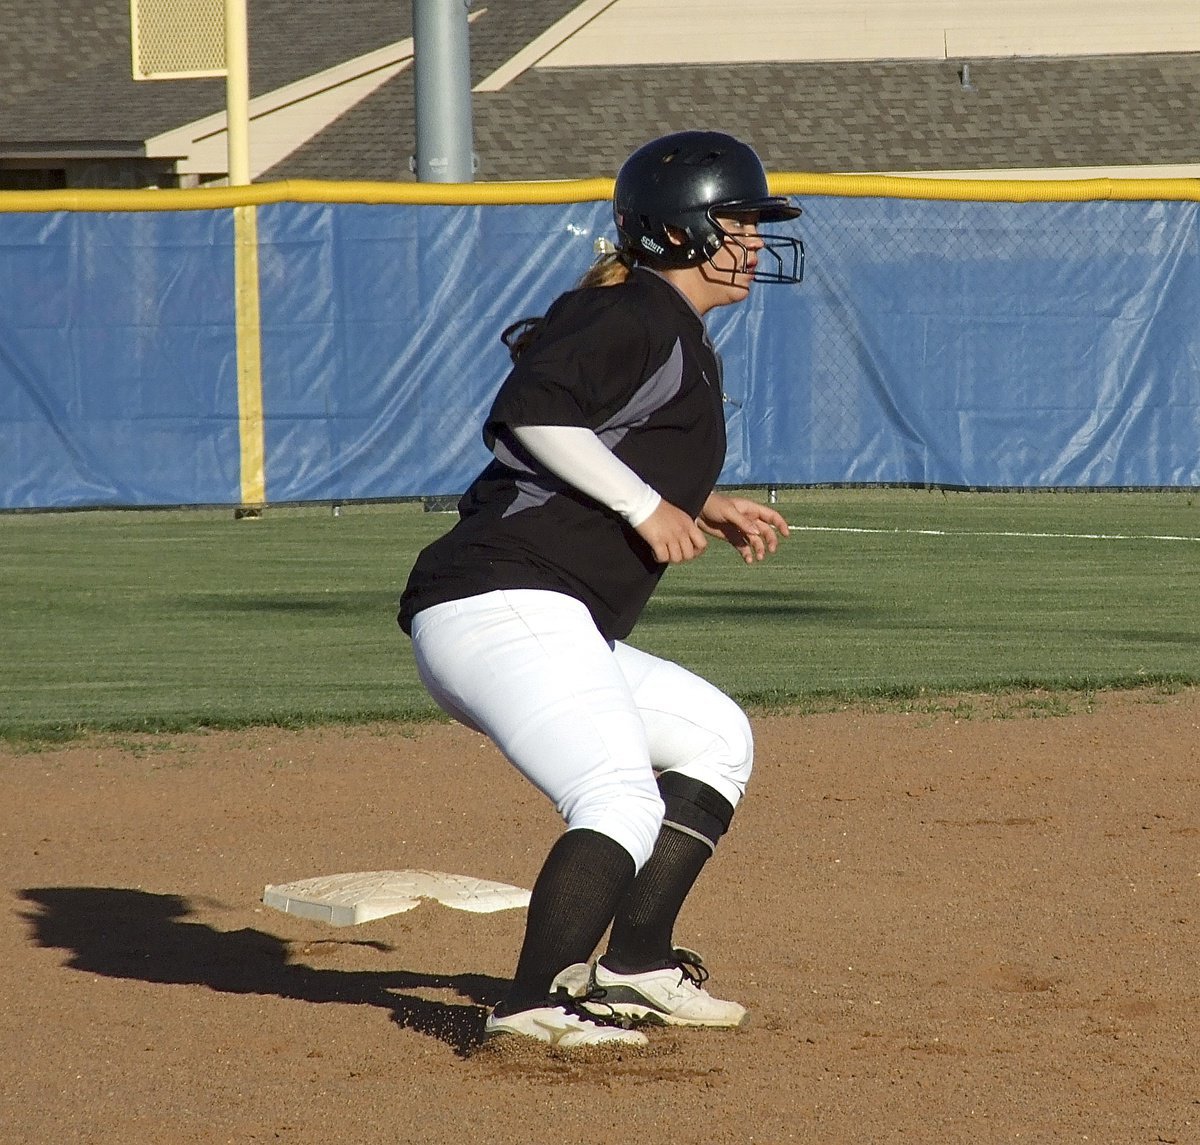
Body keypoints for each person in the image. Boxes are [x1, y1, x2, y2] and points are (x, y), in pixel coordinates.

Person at [398, 130, 805, 1048]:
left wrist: (700, 501)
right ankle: (532, 1000)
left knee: (714, 735)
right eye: (737, 221)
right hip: (500, 601)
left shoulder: (668, 328)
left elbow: (606, 442)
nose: (753, 240)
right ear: (676, 232)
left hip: (538, 609)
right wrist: (646, 503)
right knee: (618, 795)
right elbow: (530, 412)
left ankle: (635, 962)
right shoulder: (635, 315)